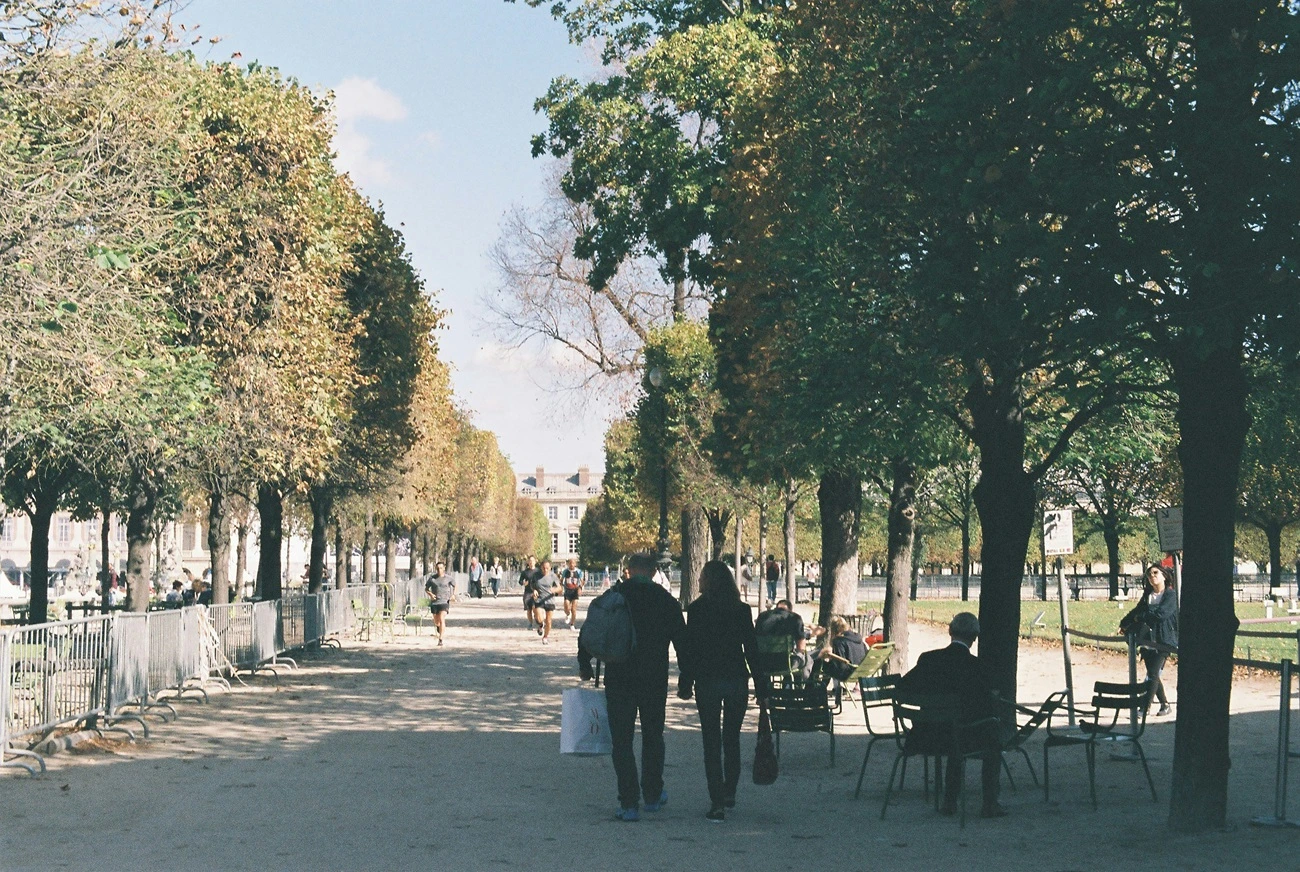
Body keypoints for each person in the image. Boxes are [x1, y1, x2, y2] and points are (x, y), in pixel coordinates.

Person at [578, 552, 687, 822]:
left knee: (622, 741)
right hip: (653, 677)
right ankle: (652, 793)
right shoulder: (665, 600)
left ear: (629, 570)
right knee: (653, 735)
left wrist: (585, 664)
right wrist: (687, 678)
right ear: (652, 572)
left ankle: (628, 803)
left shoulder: (615, 596)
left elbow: (591, 631)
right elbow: (682, 643)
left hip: (620, 675)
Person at [896, 612, 1005, 819]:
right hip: (962, 738)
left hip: (925, 736)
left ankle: (949, 801)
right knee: (990, 739)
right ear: (974, 637)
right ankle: (989, 803)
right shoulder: (976, 667)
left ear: (949, 631)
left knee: (954, 730)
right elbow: (985, 707)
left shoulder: (928, 660)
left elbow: (903, 687)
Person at [678, 560, 758, 822]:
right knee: (731, 738)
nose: (698, 581)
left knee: (711, 741)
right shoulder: (741, 609)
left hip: (708, 679)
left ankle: (716, 801)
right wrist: (762, 684)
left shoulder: (698, 610)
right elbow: (751, 650)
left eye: (701, 577)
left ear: (708, 581)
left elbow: (691, 649)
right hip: (736, 678)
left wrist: (686, 681)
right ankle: (730, 790)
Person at [1120, 565, 1179, 716]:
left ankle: (1144, 707)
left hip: (1164, 640)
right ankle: (1165, 705)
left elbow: (1161, 615)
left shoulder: (1170, 595)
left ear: (1164, 576)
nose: (1152, 576)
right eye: (1149, 574)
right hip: (1147, 638)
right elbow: (1137, 610)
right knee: (1153, 674)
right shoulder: (1148, 594)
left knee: (1153, 673)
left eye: (1155, 573)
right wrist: (1125, 623)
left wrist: (1140, 617)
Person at [753, 599, 809, 692]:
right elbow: (801, 645)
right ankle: (793, 690)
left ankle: (766, 692)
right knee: (806, 660)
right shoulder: (794, 618)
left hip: (764, 662)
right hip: (785, 663)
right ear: (790, 610)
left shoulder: (762, 617)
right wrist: (800, 653)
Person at [813, 615, 868, 692]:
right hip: (861, 671)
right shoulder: (859, 639)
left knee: (820, 663)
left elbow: (840, 664)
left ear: (834, 630)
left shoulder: (839, 641)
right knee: (831, 664)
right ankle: (829, 687)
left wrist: (828, 657)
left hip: (847, 673)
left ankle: (819, 688)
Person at [424, 561, 453, 647]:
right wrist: (431, 594)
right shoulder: (432, 578)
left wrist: (453, 595)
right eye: (437, 568)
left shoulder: (448, 578)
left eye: (441, 568)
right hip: (435, 602)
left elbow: (454, 585)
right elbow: (426, 588)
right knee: (437, 621)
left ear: (444, 568)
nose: (439, 570)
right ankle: (438, 627)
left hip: (444, 601)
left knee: (441, 618)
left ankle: (440, 639)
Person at [531, 559, 560, 644]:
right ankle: (540, 625)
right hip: (539, 599)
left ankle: (545, 637)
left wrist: (554, 589)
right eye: (543, 568)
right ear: (541, 568)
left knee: (549, 620)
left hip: (549, 599)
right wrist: (534, 590)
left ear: (550, 568)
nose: (545, 570)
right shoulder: (536, 575)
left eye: (547, 568)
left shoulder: (553, 576)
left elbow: (560, 588)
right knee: (539, 618)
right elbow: (532, 585)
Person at [561, 558, 584, 630]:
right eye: (570, 563)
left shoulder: (579, 571)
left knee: (574, 609)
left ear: (575, 564)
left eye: (573, 563)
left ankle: (572, 624)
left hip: (575, 591)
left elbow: (582, 581)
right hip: (567, 591)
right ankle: (567, 614)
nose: (571, 564)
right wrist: (561, 587)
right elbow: (561, 580)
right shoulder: (565, 571)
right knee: (566, 606)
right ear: (568, 564)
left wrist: (580, 588)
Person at [520, 556, 541, 630]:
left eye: (533, 560)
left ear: (535, 561)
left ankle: (538, 620)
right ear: (528, 562)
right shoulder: (525, 572)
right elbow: (520, 581)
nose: (531, 562)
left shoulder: (539, 571)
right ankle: (530, 623)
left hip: (537, 592)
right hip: (528, 592)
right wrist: (523, 583)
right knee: (529, 610)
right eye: (530, 561)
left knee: (536, 608)